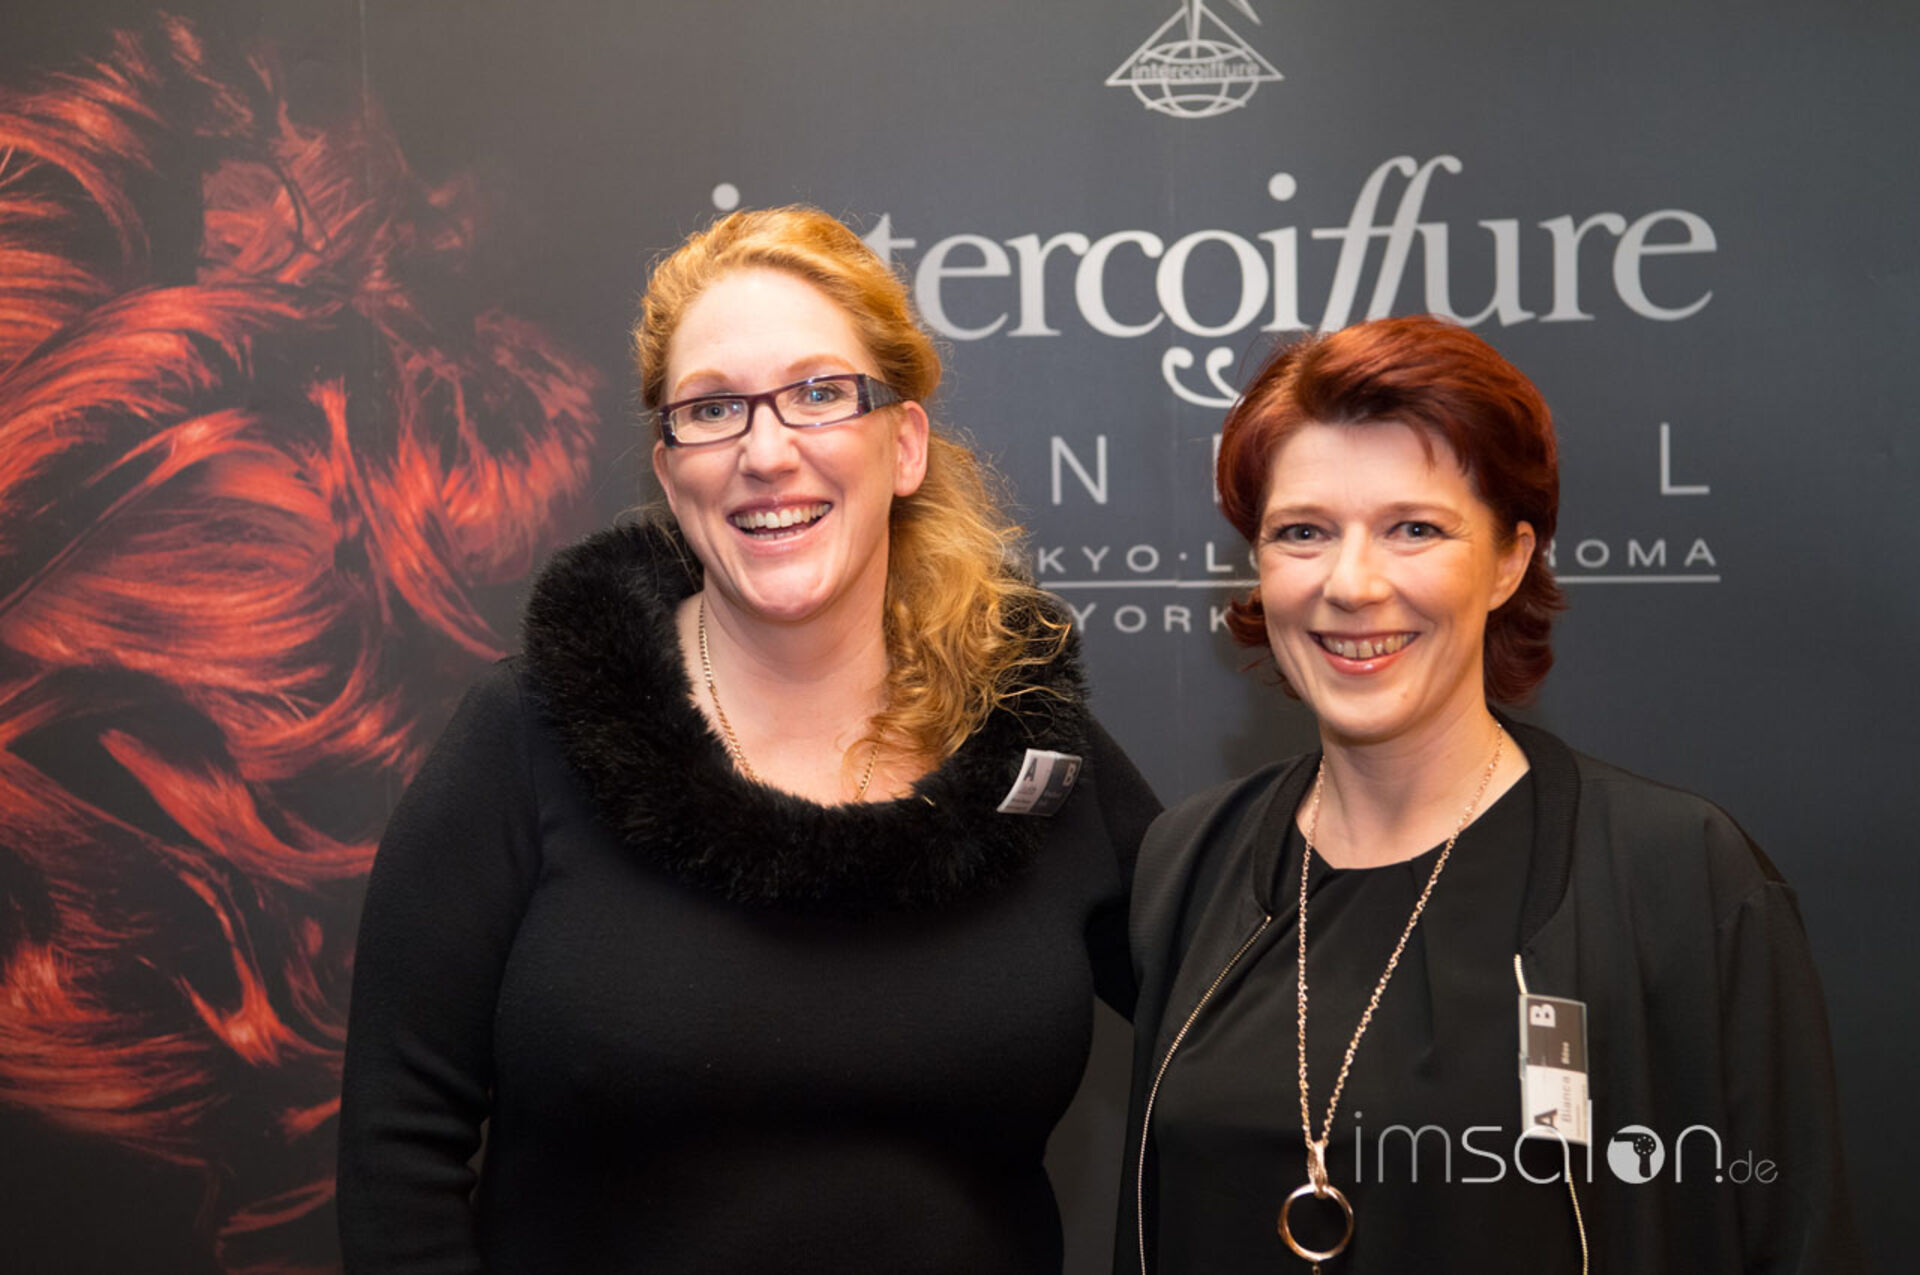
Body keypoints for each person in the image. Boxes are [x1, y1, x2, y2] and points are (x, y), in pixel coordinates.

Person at [337, 206, 1159, 1273]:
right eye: (714, 409)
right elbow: (398, 1150)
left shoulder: (1029, 753)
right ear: (669, 467)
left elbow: (1260, 1030)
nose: (766, 453)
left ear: (904, 445)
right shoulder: (528, 735)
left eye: (819, 394)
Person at [1120, 316, 1861, 1275]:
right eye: (1303, 531)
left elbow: (1793, 1241)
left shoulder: (1679, 873)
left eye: (1414, 529)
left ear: (1510, 560)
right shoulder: (1189, 860)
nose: (1352, 582)